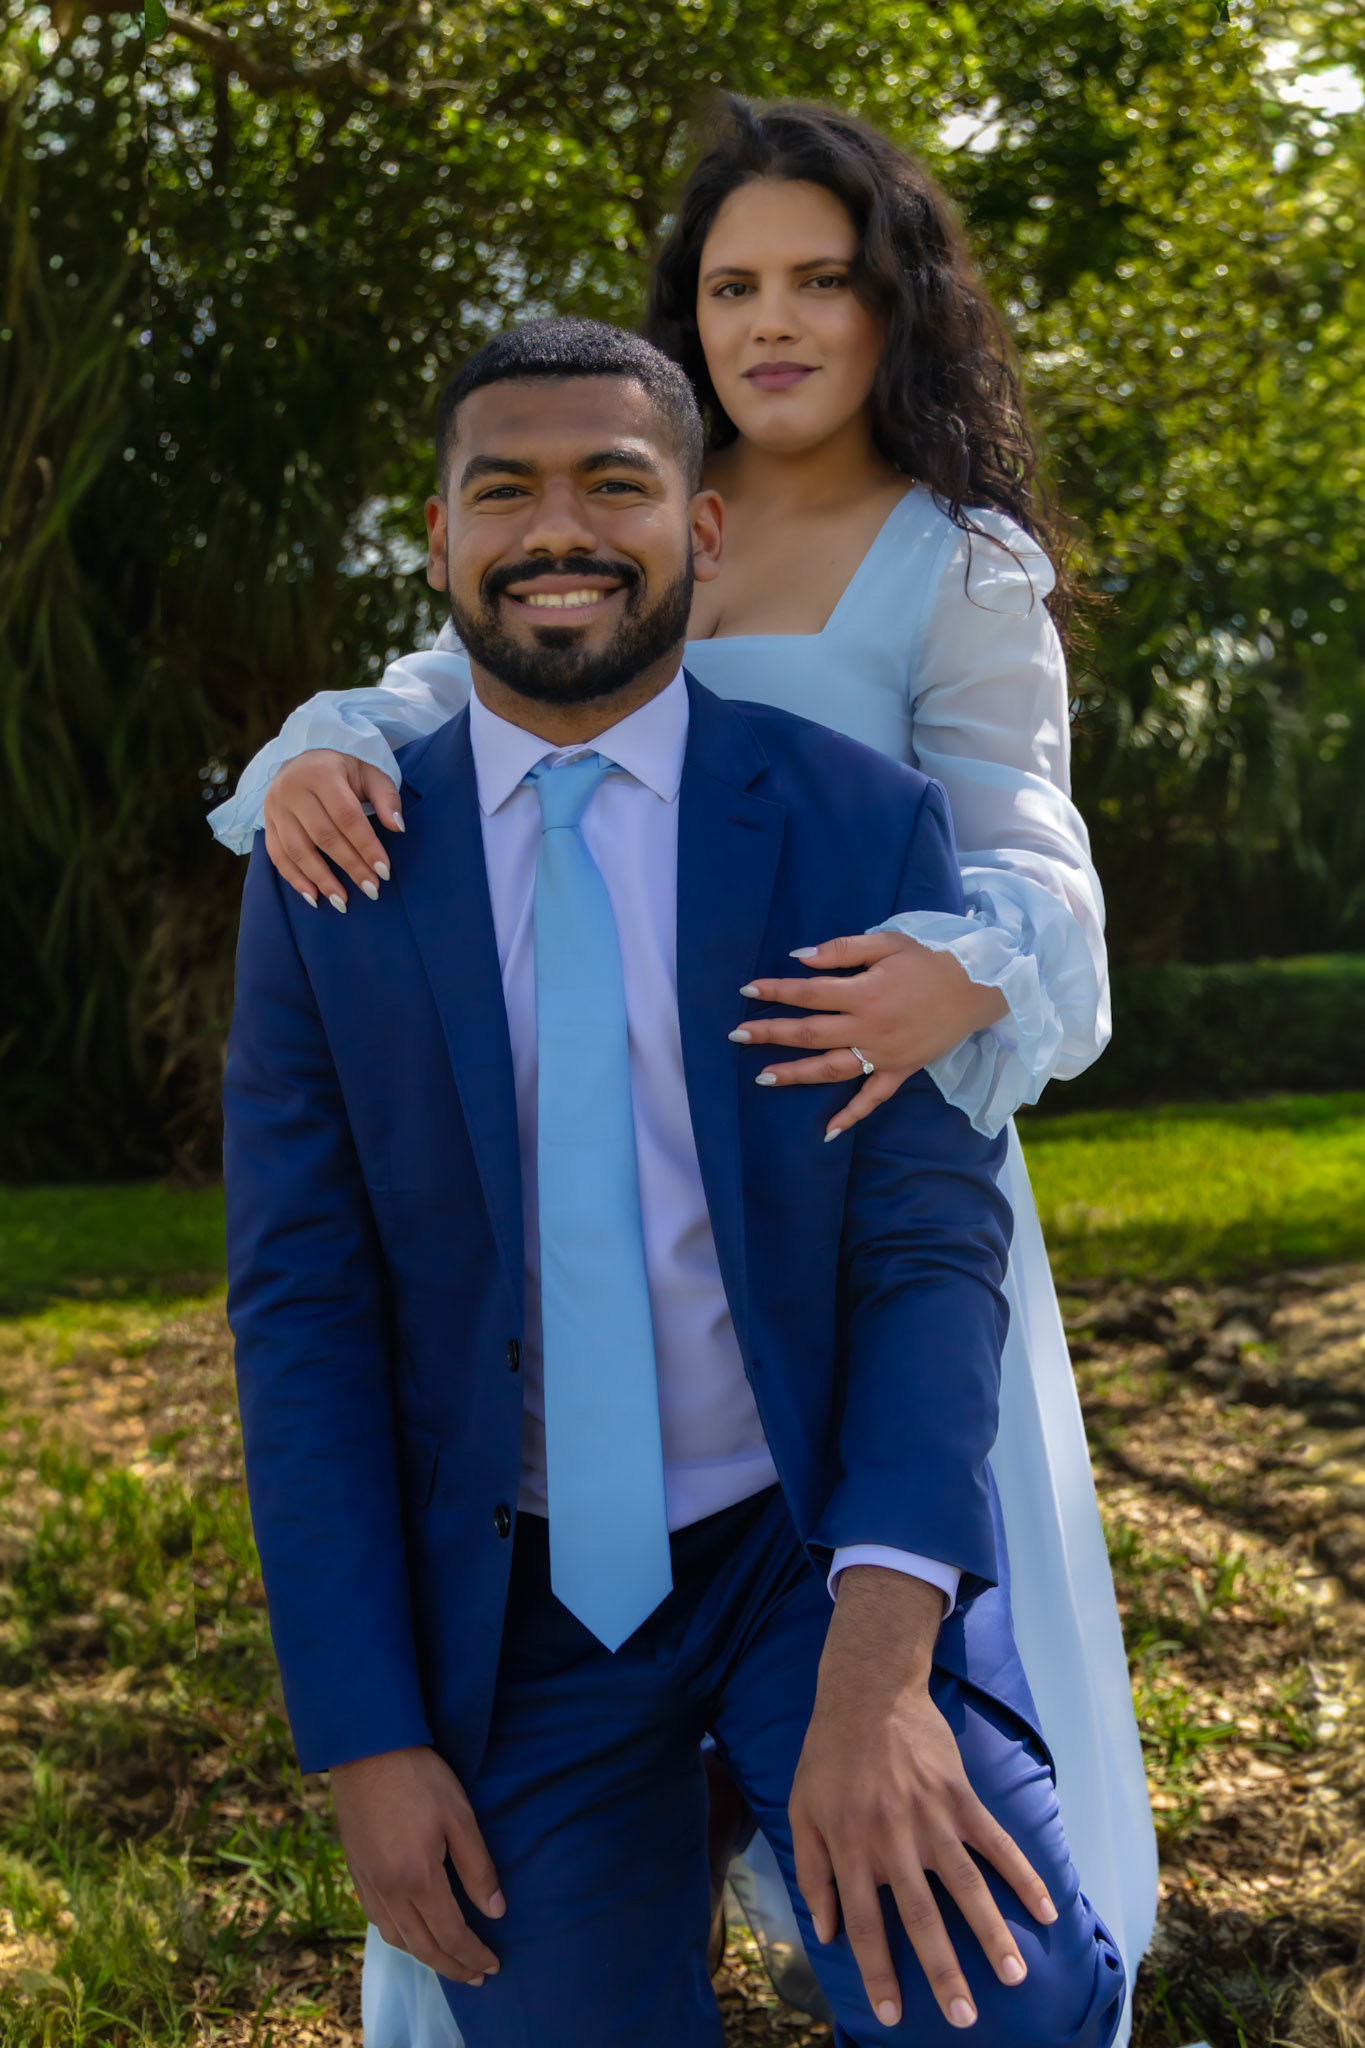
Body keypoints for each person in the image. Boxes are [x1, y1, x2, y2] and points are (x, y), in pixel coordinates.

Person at [210, 98, 1155, 2044]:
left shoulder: (946, 571)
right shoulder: (610, 497)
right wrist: (313, 754)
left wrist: (962, 970)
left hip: (849, 1155)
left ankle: (882, 1775)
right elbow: (459, 682)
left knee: (970, 1936)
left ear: (898, 303)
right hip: (553, 1415)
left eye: (820, 279)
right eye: (732, 286)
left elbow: (1027, 854)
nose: (772, 320)